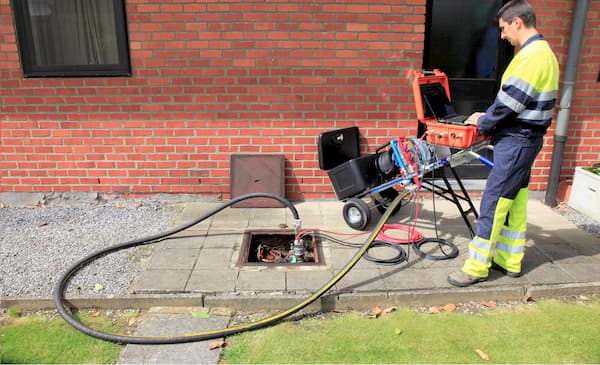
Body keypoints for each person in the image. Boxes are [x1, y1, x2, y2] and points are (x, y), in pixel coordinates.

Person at [447, 0, 559, 287]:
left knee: (494, 202)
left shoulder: (532, 57)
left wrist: (482, 122)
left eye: (503, 28)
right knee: (516, 201)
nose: (502, 35)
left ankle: (476, 267)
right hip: (526, 140)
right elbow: (517, 99)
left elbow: (511, 102)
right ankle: (510, 260)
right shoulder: (541, 53)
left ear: (517, 22)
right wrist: (487, 116)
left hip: (517, 140)